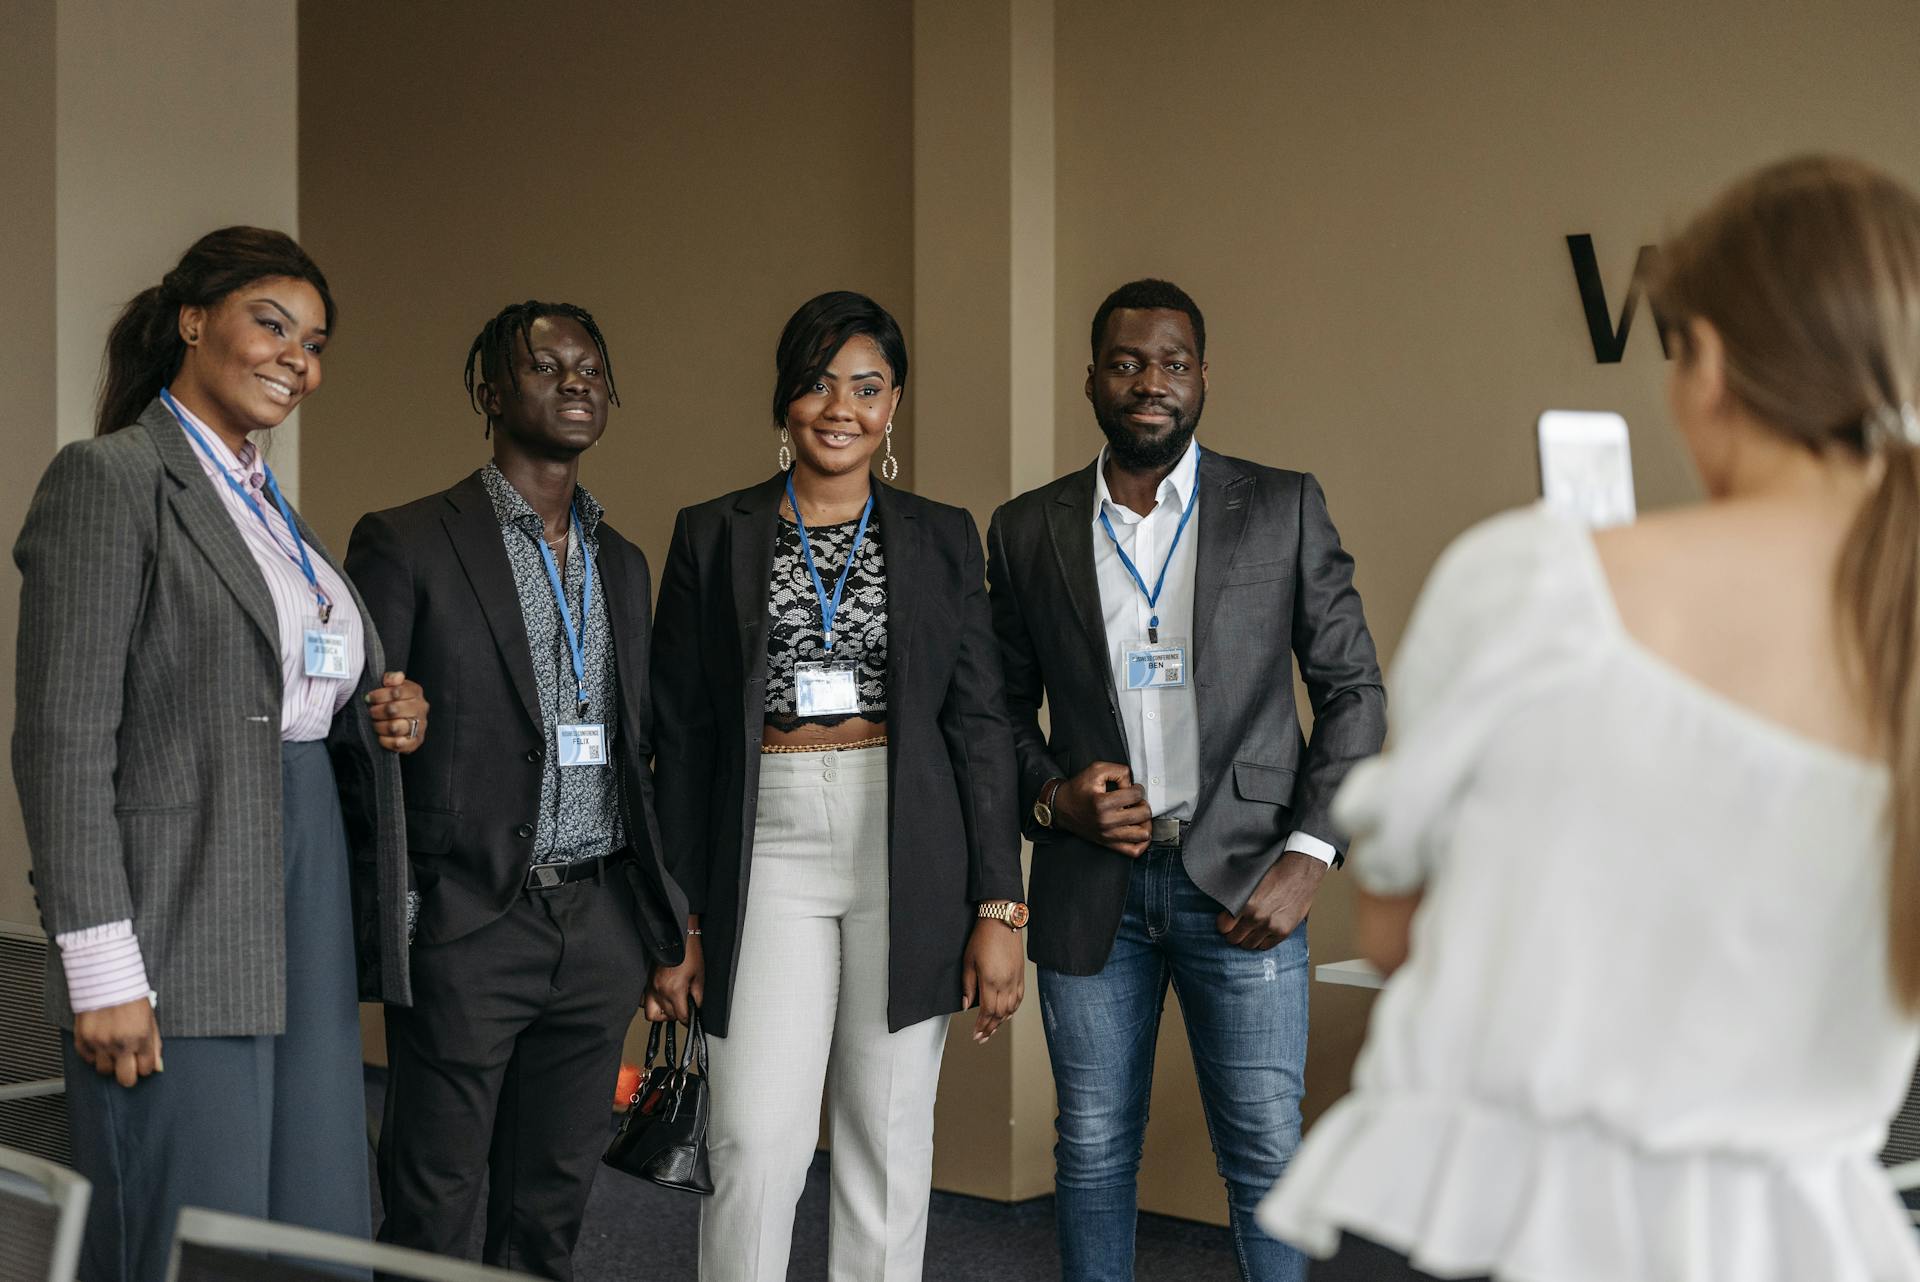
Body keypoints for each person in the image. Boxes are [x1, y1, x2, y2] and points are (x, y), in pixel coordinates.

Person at [1258, 154, 1920, 1281]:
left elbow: (1393, 932)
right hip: (1798, 1243)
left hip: (1489, 1221)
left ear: (1705, 363)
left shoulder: (1540, 584)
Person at [12, 226, 427, 1282]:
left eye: (317, 342)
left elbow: (283, 686)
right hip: (178, 909)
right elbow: (61, 741)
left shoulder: (271, 506)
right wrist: (101, 965)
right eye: (273, 325)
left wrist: (380, 707)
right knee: (190, 1215)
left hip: (306, 886)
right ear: (193, 321)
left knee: (312, 1219)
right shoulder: (113, 478)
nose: (300, 359)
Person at [986, 278, 1387, 1282]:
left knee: (1262, 1156)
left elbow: (1355, 692)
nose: (1149, 383)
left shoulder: (1282, 505)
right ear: (1092, 380)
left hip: (1247, 884)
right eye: (1127, 363)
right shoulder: (1029, 528)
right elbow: (991, 713)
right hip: (1092, 889)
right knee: (1090, 1153)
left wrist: (1308, 854)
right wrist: (1053, 796)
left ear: (1203, 376)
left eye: (1171, 363)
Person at [645, 290, 1026, 1282]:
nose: (840, 406)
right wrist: (676, 919)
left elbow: (980, 725)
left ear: (894, 404)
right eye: (817, 382)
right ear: (784, 397)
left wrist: (1001, 903)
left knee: (888, 1140)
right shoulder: (711, 533)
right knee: (754, 1139)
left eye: (866, 385)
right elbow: (680, 739)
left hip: (906, 837)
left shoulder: (943, 535)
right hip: (763, 833)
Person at [345, 301, 687, 1279]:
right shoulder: (408, 539)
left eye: (592, 366)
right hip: (467, 920)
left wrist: (654, 928)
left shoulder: (622, 560)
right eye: (546, 365)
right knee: (432, 1203)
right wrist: (403, 913)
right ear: (492, 394)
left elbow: (632, 748)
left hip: (597, 923)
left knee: (551, 1207)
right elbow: (353, 727)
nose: (576, 379)